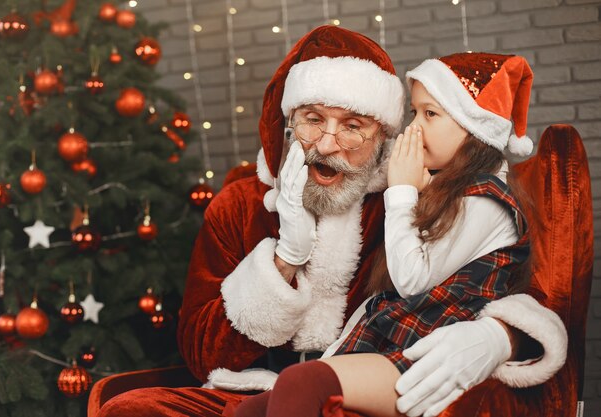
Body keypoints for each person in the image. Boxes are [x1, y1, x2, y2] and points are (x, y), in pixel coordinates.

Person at [97, 27, 567, 417]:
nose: (326, 144)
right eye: (312, 119)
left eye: (352, 126)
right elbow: (203, 356)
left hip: (360, 391)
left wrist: (498, 337)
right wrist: (284, 259)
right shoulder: (240, 205)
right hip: (250, 387)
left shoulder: (411, 197)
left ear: (383, 134)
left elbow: (511, 279)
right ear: (286, 125)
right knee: (133, 410)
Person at [232, 51, 551, 417]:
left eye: (430, 114)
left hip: (429, 352)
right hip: (399, 339)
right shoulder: (443, 189)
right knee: (252, 409)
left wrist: (400, 193)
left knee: (302, 383)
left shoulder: (486, 199)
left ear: (474, 128)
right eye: (414, 113)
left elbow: (412, 282)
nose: (414, 128)